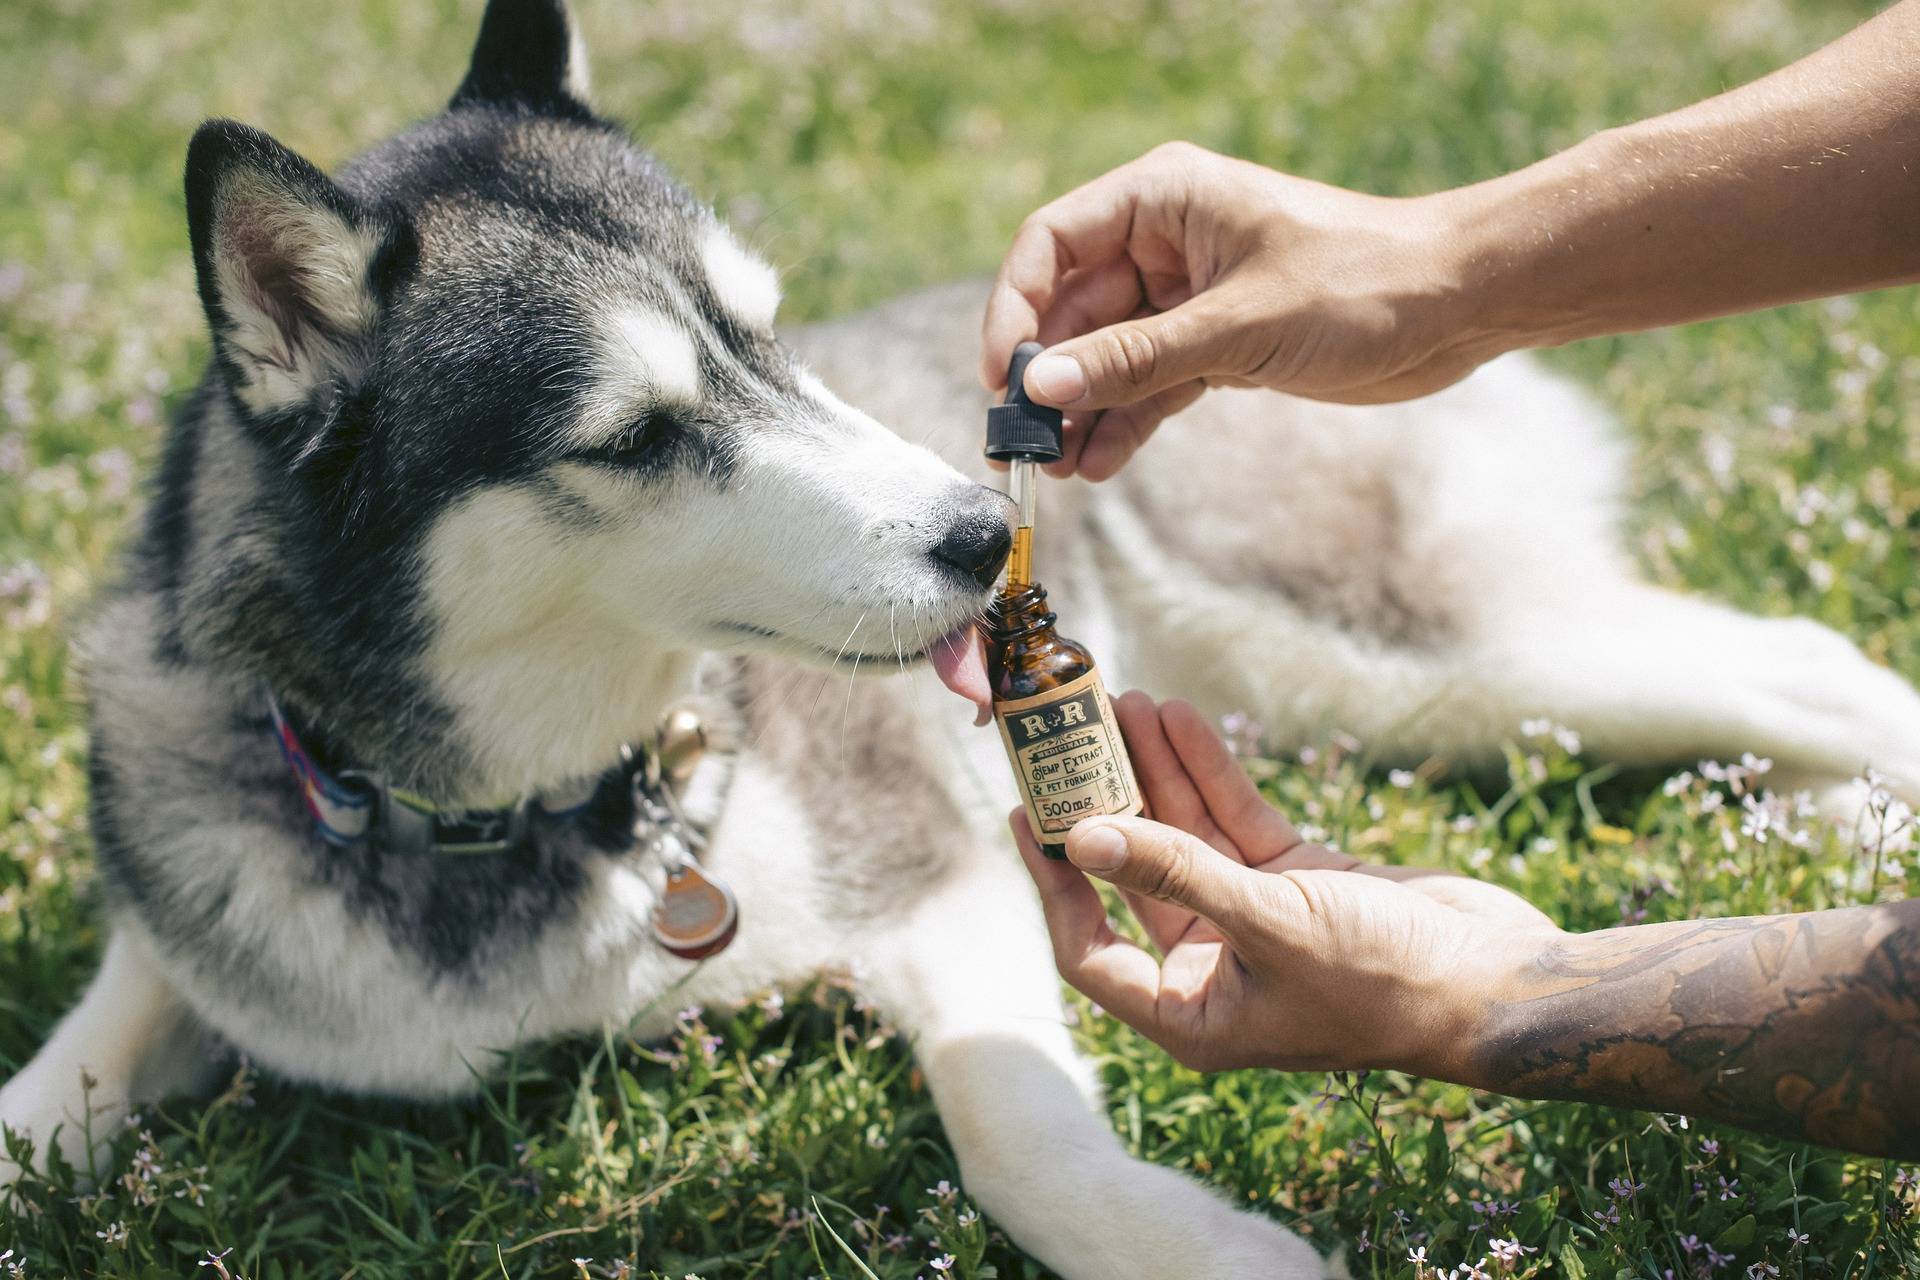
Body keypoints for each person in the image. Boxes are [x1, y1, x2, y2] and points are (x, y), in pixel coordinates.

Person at [984, 2, 1920, 1157]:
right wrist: (1436, 267)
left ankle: (1834, 716)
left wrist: (1500, 996)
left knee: (1488, 666)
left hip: (1285, 488)